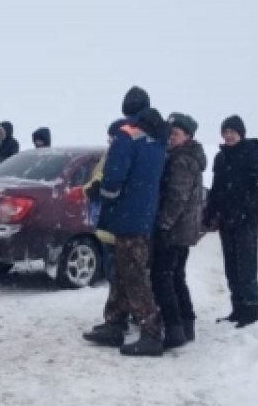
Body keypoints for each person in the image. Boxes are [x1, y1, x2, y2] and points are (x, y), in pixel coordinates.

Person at [83, 86, 168, 357]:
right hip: (144, 214)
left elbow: (115, 177)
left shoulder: (126, 135)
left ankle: (151, 333)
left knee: (132, 275)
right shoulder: (158, 136)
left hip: (126, 214)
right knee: (122, 272)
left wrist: (103, 194)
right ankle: (114, 323)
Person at [203, 115, 258, 328]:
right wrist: (210, 211)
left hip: (246, 220)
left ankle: (252, 310)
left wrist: (245, 204)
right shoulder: (220, 158)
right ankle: (237, 308)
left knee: (246, 266)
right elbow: (216, 188)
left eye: (232, 131)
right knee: (231, 267)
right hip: (226, 220)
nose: (229, 136)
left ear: (241, 133)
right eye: (225, 132)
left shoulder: (253, 154)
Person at [150, 113, 207, 347]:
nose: (171, 137)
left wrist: (163, 224)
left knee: (162, 278)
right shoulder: (185, 156)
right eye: (170, 133)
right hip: (183, 229)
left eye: (176, 134)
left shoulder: (181, 160)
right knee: (176, 276)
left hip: (175, 230)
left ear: (188, 136)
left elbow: (177, 197)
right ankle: (186, 324)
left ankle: (174, 328)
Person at [85, 119, 125, 286]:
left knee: (116, 271)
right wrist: (90, 188)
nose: (109, 140)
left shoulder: (119, 156)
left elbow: (111, 183)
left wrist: (97, 189)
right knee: (112, 269)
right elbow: (98, 177)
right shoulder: (110, 154)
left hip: (112, 222)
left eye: (112, 136)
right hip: (103, 219)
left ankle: (121, 308)